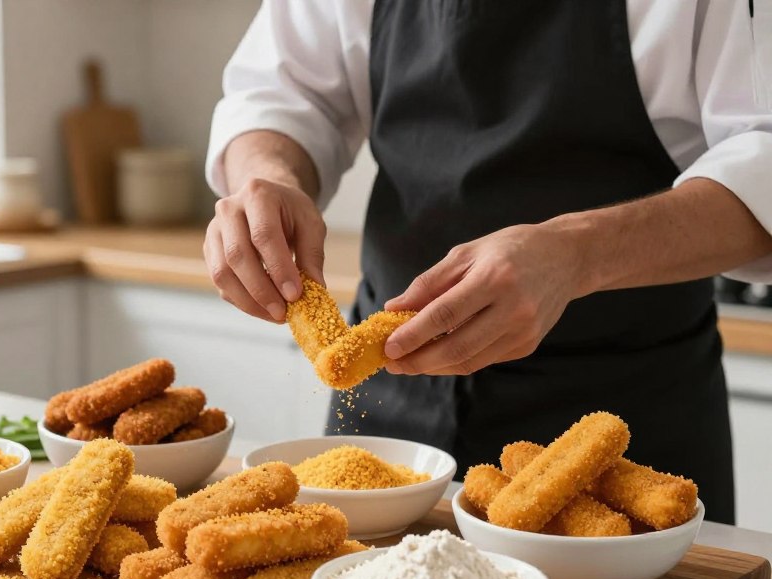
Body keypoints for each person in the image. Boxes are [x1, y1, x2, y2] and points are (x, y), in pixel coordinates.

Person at [202, 1, 772, 525]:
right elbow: (281, 93)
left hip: (624, 412)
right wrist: (268, 179)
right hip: (391, 407)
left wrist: (578, 253)